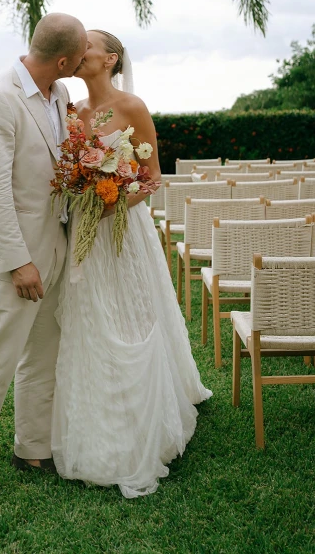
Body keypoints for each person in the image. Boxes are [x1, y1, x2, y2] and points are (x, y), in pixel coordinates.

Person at [51, 29, 212, 498]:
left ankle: (146, 422)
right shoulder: (73, 113)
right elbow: (66, 171)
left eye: (88, 47)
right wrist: (81, 188)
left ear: (110, 59)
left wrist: (117, 198)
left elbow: (153, 176)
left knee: (135, 319)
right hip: (84, 232)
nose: (79, 53)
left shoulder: (132, 107)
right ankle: (99, 419)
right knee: (91, 321)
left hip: (123, 231)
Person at [0, 12, 88, 498]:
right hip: (17, 260)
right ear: (65, 59)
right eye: (80, 56)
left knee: (43, 355)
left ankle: (32, 446)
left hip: (56, 248)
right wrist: (18, 261)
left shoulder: (62, 95)